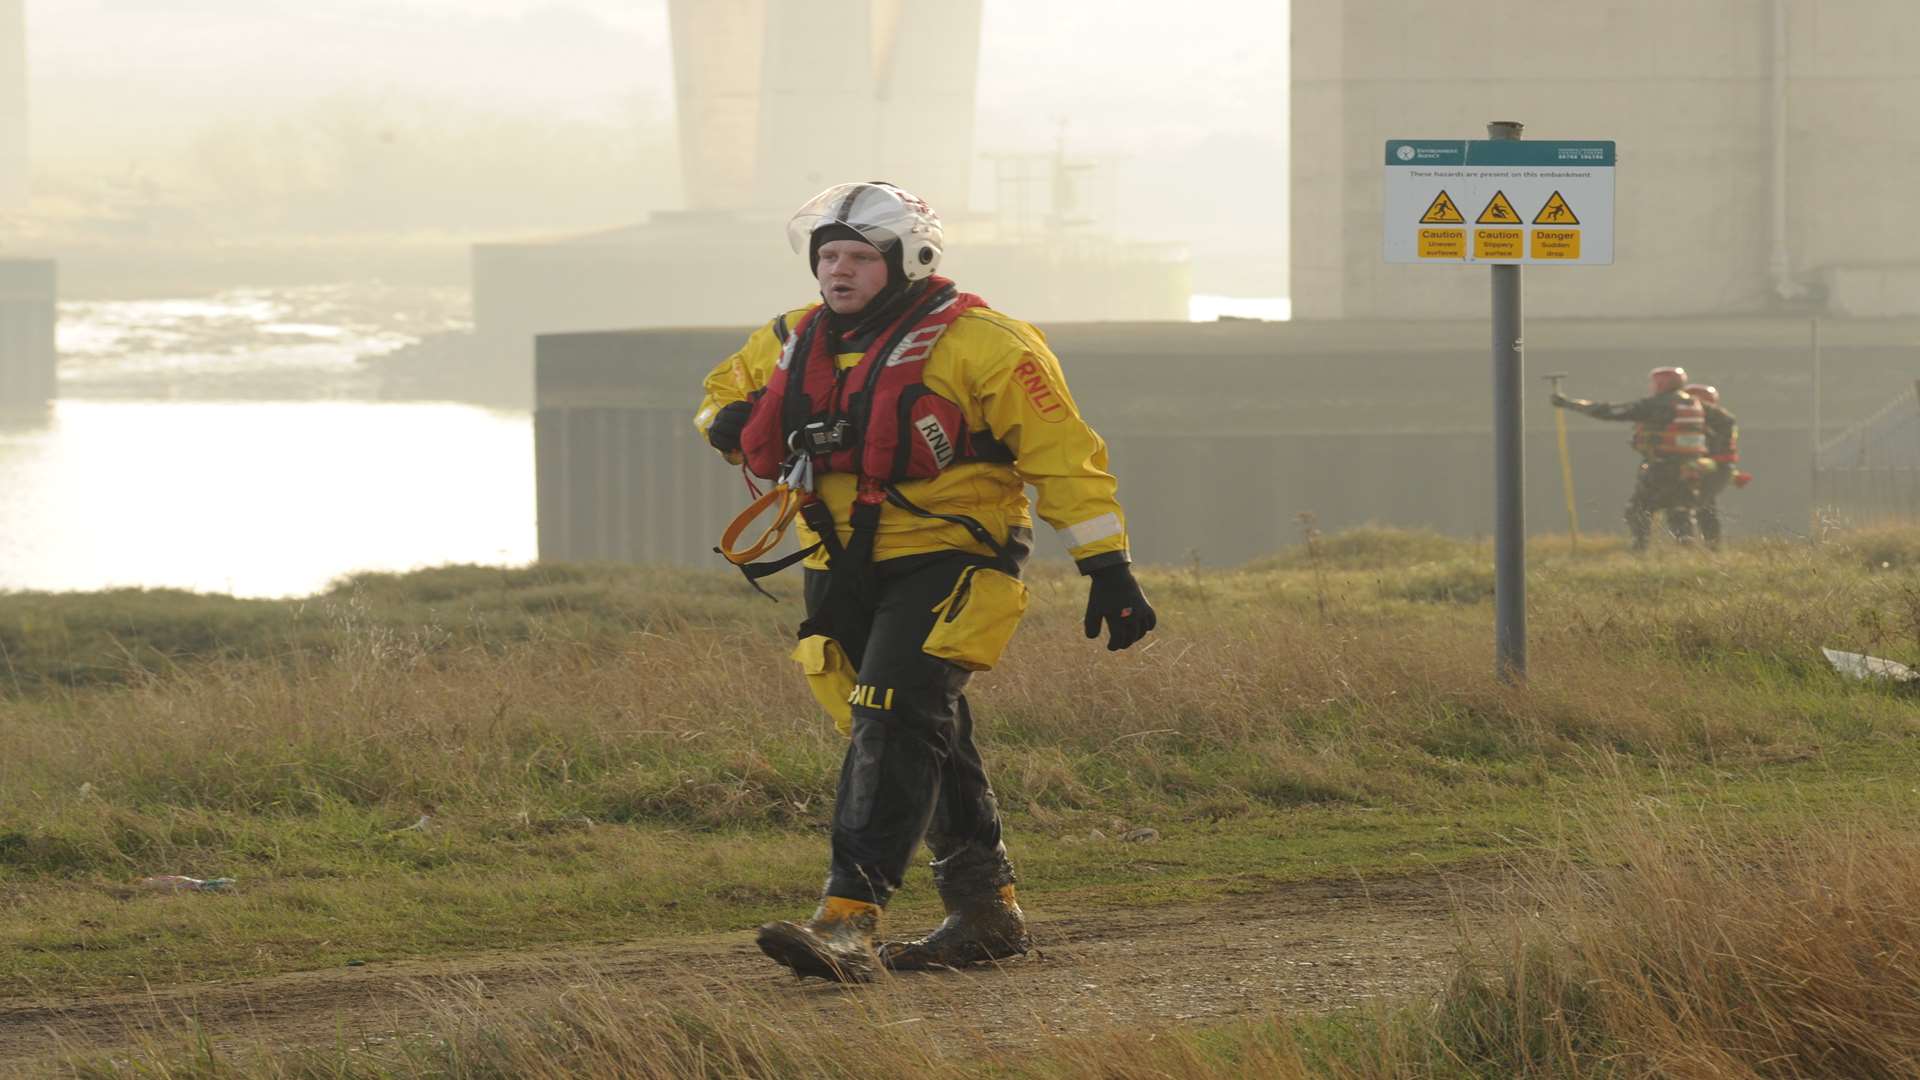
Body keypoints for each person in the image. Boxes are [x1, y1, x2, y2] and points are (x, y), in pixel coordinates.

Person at [693, 181, 1156, 981]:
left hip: (954, 556)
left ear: (909, 260)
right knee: (912, 726)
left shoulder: (987, 343)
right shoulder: (787, 339)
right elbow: (717, 397)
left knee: (893, 715)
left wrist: (1107, 567)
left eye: (860, 259)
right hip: (837, 564)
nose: (839, 273)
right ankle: (984, 911)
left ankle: (846, 921)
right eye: (828, 257)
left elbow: (1063, 455)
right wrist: (725, 425)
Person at [1551, 366, 1707, 551]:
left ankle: (1639, 550)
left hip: (1661, 467)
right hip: (1689, 468)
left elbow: (1612, 411)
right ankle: (1688, 552)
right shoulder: (1691, 404)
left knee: (1638, 509)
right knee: (1680, 511)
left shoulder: (1657, 404)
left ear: (1661, 384)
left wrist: (1568, 403)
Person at [1682, 383, 1750, 550]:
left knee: (1695, 504)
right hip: (1706, 468)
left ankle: (1690, 545)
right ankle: (1712, 546)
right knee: (1706, 508)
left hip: (1714, 469)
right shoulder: (1699, 421)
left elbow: (1719, 453)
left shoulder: (1721, 421)